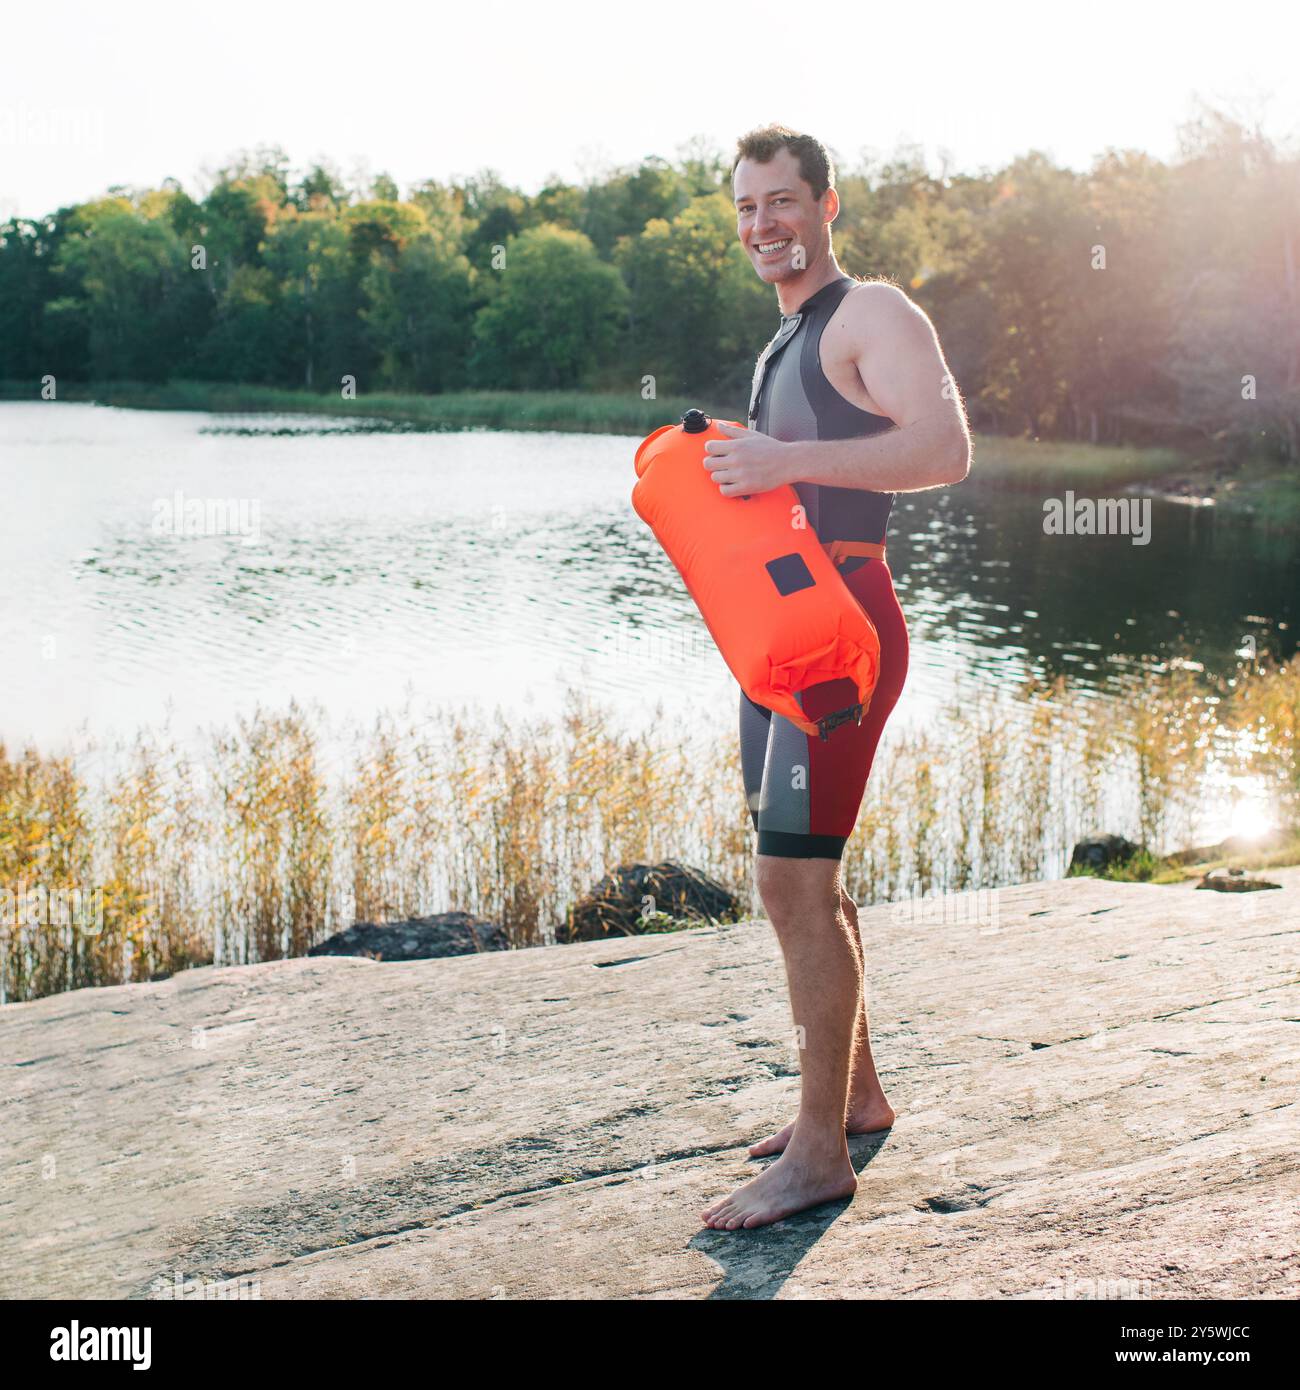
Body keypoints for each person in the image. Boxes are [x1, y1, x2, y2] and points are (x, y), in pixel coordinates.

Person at [700, 125, 971, 1231]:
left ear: (825, 207)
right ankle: (853, 1095)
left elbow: (946, 449)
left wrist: (786, 459)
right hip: (782, 634)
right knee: (801, 873)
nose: (764, 224)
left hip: (844, 635)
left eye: (782, 202)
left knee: (792, 883)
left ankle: (819, 1155)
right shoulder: (785, 338)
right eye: (748, 208)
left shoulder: (873, 313)